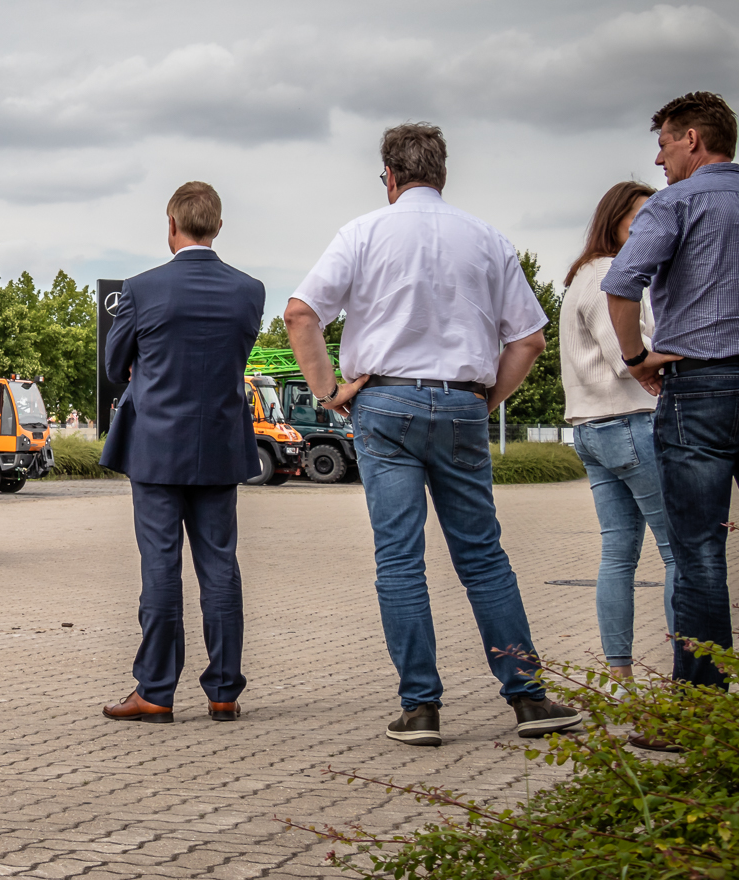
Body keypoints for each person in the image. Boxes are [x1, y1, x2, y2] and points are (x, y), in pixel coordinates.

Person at [284, 122, 584, 746]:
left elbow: (301, 312)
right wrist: (485, 399)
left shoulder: (362, 232)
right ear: (442, 174)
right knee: (481, 556)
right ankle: (527, 698)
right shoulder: (487, 239)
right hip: (462, 407)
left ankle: (421, 707)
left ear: (389, 177)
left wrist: (327, 393)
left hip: (385, 405)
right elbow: (529, 339)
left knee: (399, 559)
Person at [99, 182, 263, 726]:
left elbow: (113, 363)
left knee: (160, 566)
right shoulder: (250, 291)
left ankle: (155, 691)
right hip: (219, 444)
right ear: (217, 226)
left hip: (155, 449)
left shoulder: (141, 289)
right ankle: (223, 692)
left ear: (172, 225)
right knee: (220, 566)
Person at [603, 91, 739, 691]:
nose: (658, 161)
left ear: (692, 139)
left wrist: (635, 359)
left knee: (699, 550)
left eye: (662, 144)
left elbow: (623, 283)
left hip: (702, 386)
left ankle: (700, 704)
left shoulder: (675, 204)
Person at [561, 181, 674, 679]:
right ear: (616, 220)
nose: (650, 229)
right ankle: (691, 681)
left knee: (618, 555)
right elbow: (626, 357)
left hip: (590, 431)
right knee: (681, 554)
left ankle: (620, 680)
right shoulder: (611, 275)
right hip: (628, 424)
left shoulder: (581, 275)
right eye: (639, 219)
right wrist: (682, 353)